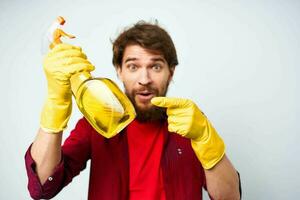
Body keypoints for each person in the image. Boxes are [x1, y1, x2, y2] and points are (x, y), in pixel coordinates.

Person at [25, 21, 241, 200]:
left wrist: (205, 138)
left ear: (171, 72)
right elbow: (42, 186)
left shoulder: (192, 123)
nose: (144, 80)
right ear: (119, 70)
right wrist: (56, 103)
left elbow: (230, 198)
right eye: (133, 66)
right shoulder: (95, 124)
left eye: (155, 66)